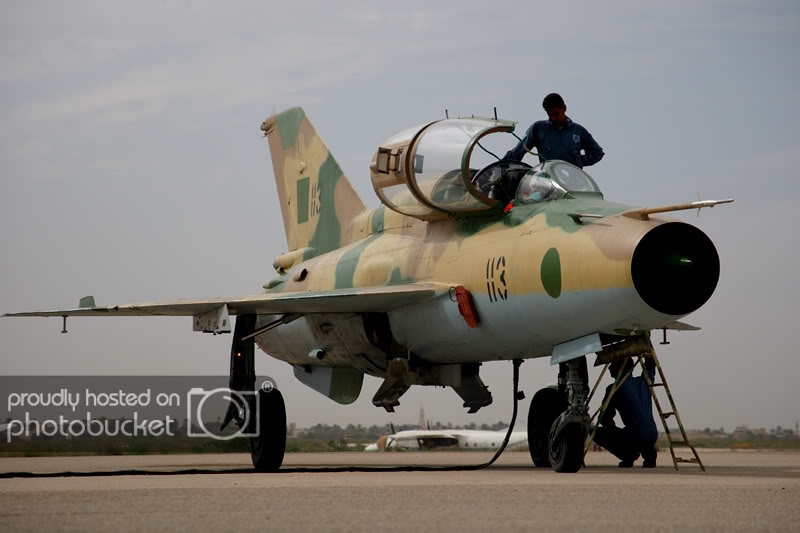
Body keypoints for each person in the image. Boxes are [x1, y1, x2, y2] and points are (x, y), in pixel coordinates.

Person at [503, 93, 604, 168]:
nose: (554, 118)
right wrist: (500, 167)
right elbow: (517, 152)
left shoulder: (578, 131)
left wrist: (579, 161)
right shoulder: (538, 129)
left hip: (573, 184)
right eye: (550, 115)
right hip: (548, 185)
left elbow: (597, 153)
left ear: (564, 108)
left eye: (556, 114)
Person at [593, 357, 659, 468]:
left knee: (593, 432)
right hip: (653, 434)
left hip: (635, 435)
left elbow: (605, 417)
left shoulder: (615, 387)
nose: (609, 368)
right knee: (640, 432)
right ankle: (649, 455)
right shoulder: (644, 382)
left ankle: (628, 454)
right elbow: (650, 368)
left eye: (613, 365)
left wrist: (614, 433)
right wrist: (648, 356)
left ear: (621, 368)